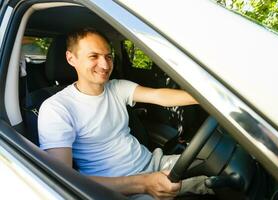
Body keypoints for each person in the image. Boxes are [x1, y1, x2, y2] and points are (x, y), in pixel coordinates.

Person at [38, 27, 213, 199]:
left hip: (156, 163)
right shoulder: (57, 108)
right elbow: (65, 179)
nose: (105, 65)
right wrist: (144, 183)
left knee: (219, 168)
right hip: (120, 190)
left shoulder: (116, 87)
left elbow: (159, 95)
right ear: (71, 58)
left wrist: (210, 97)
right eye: (94, 56)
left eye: (108, 56)